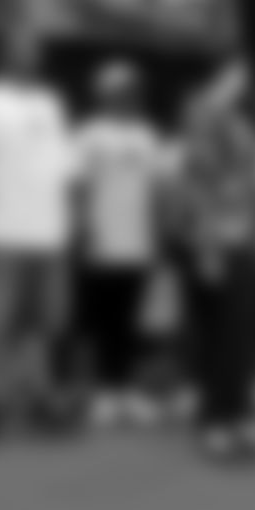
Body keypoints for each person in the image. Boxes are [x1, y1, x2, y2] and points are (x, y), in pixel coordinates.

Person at [0, 22, 79, 437]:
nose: (30, 56)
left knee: (43, 323)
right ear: (3, 54)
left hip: (48, 232)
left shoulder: (51, 103)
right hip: (0, 230)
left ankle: (39, 400)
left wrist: (72, 220)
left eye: (34, 49)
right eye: (21, 48)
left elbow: (65, 168)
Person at [167, 55, 255, 460]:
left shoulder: (244, 126)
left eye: (244, 80)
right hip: (212, 241)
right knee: (216, 337)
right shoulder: (202, 121)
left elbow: (254, 182)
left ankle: (240, 413)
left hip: (244, 239)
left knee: (243, 337)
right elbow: (199, 187)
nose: (243, 85)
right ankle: (214, 419)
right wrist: (206, 247)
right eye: (233, 79)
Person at [74, 61, 167, 429]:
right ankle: (102, 394)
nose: (127, 96)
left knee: (130, 321)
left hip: (137, 241)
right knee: (100, 321)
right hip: (102, 241)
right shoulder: (89, 135)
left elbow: (156, 190)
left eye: (132, 90)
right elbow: (79, 187)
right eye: (120, 90)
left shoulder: (147, 135)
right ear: (104, 95)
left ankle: (126, 390)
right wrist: (83, 230)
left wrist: (157, 237)